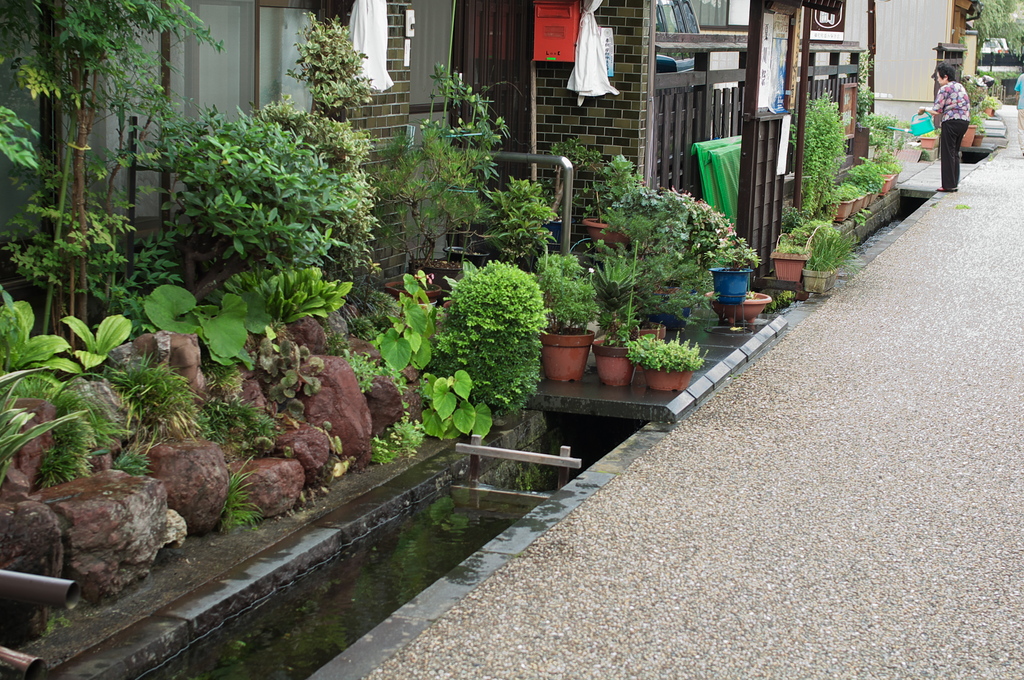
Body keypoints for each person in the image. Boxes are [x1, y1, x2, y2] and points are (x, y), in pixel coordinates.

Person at [919, 62, 970, 192]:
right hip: (964, 122)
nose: (937, 79)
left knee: (947, 153)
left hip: (951, 122)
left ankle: (948, 185)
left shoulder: (945, 89)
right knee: (955, 153)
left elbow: (937, 110)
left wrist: (923, 109)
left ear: (945, 77)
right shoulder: (960, 86)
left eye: (938, 76)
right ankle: (954, 183)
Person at [1015, 72, 1024, 155]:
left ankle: (1023, 149)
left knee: (1021, 128)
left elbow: (1017, 92)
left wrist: (1017, 104)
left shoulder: (1021, 77)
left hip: (1022, 106)